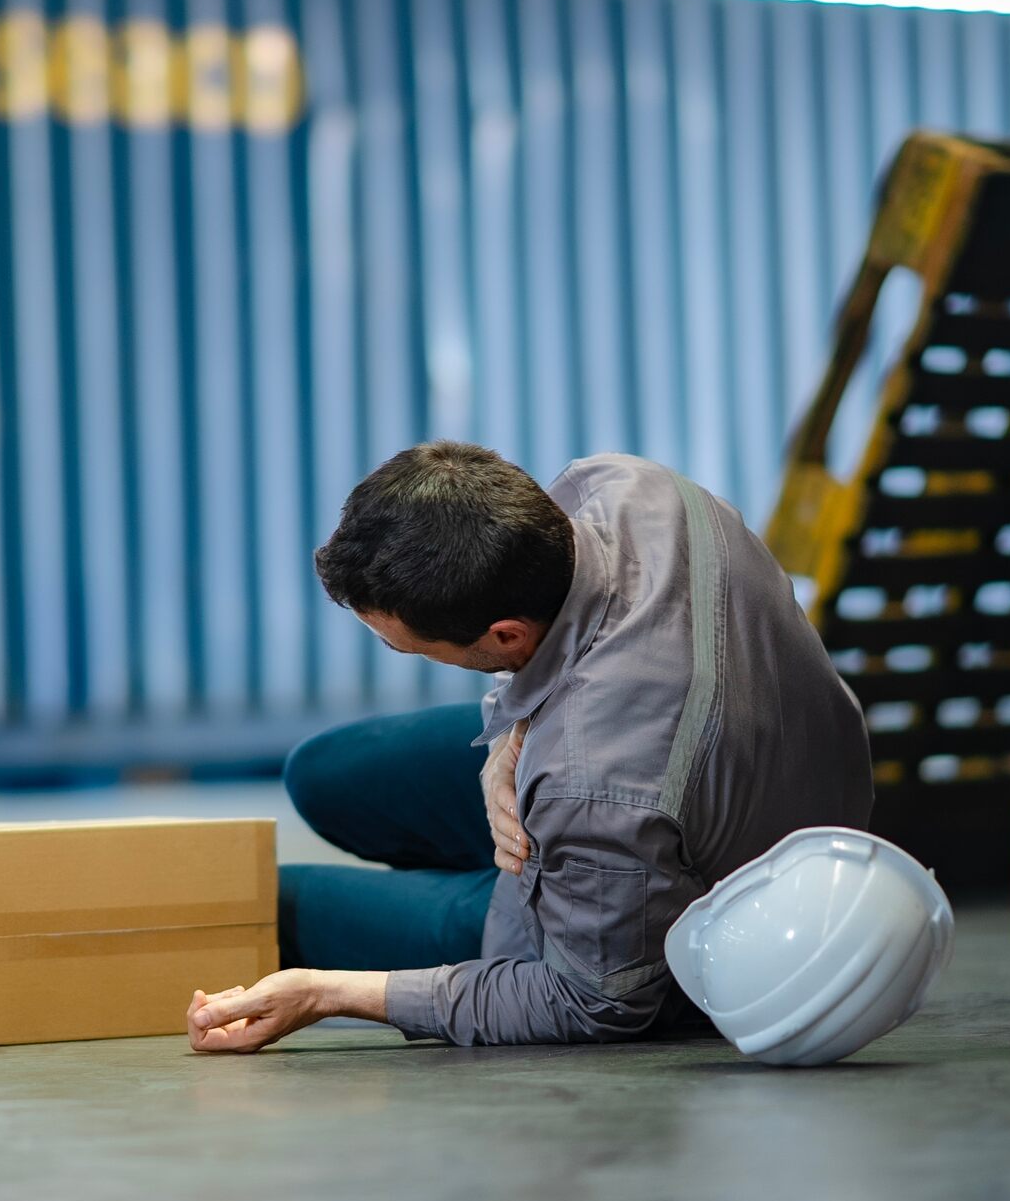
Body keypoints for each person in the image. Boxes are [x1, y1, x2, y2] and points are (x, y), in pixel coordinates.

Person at [188, 442, 874, 1053]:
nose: (391, 646)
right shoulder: (624, 485)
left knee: (273, 901)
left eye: (400, 642)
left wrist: (328, 993)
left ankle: (466, 903)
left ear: (507, 636)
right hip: (732, 777)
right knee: (321, 772)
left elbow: (594, 1002)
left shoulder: (592, 782)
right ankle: (490, 859)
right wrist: (513, 731)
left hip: (622, 910)